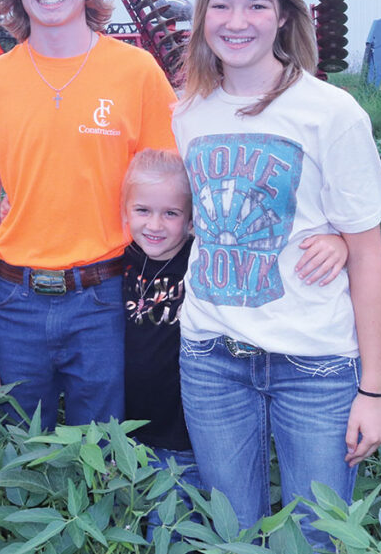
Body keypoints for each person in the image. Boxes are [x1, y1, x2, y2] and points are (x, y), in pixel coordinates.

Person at [172, 0, 381, 551]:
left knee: (315, 538)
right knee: (230, 536)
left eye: (256, 5)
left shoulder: (332, 113)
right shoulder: (187, 110)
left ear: (284, 15)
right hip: (212, 357)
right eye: (220, 5)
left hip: (315, 365)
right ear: (202, 17)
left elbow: (369, 254)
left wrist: (373, 391)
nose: (236, 22)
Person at [0, 0, 177, 430]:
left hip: (106, 300)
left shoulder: (136, 72)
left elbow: (173, 187)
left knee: (106, 461)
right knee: (17, 460)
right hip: (14, 306)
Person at [120, 147, 348, 539]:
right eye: (142, 211)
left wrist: (339, 242)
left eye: (171, 214)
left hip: (194, 439)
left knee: (197, 530)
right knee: (155, 532)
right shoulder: (120, 261)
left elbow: (269, 249)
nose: (155, 224)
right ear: (125, 213)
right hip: (136, 438)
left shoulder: (201, 258)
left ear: (193, 222)